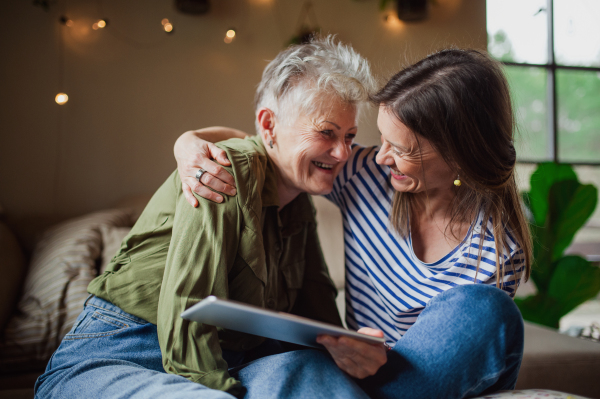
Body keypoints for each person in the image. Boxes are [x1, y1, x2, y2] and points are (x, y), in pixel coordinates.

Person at [34, 37, 386, 399]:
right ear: (269, 126)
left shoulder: (298, 201)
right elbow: (190, 311)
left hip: (233, 358)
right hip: (123, 351)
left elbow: (319, 314)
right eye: (327, 132)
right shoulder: (225, 169)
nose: (343, 152)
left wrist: (349, 351)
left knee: (320, 378)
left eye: (350, 136)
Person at [174, 45, 532, 398]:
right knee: (287, 365)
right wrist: (189, 142)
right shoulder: (363, 174)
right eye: (381, 140)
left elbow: (456, 361)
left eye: (402, 149)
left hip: (416, 384)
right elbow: (276, 147)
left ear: (459, 156)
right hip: (346, 374)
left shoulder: (499, 251)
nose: (381, 157)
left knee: (487, 310)